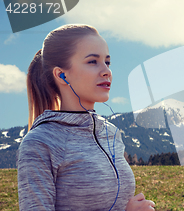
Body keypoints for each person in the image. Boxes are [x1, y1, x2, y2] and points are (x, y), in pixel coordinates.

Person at [17, 24, 155, 210]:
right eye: (92, 61)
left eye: (108, 62)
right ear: (62, 75)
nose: (106, 71)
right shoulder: (40, 142)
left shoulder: (111, 133)